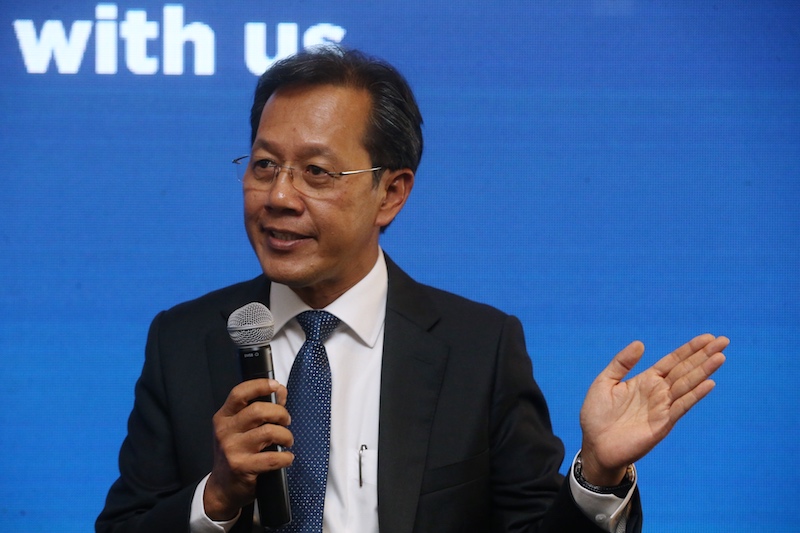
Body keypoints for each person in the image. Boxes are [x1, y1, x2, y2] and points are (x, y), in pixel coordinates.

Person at [96, 47, 728, 533]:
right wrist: (217, 498)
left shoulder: (479, 349)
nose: (279, 197)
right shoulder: (182, 340)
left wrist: (598, 472)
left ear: (391, 193)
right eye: (264, 166)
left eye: (316, 172)